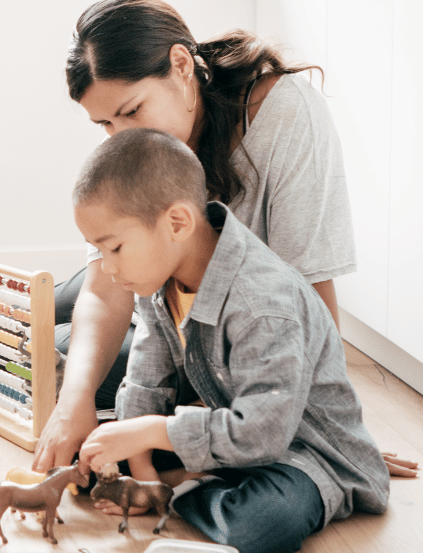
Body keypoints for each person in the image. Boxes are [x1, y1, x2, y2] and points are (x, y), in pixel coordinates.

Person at [35, 0, 416, 480]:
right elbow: (105, 289)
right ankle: (64, 353)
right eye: (105, 124)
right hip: (155, 291)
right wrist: (74, 401)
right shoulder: (134, 140)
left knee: (79, 358)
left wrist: (325, 431)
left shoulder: (284, 113)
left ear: (180, 66)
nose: (119, 136)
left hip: (221, 317)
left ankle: (67, 352)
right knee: (75, 349)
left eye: (131, 111)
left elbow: (308, 285)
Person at [72, 128, 390, 553]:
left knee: (263, 525)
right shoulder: (154, 279)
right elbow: (147, 381)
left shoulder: (262, 302)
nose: (108, 269)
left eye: (114, 248)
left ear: (177, 223)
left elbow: (263, 434)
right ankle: (176, 481)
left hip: (302, 455)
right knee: (91, 460)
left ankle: (185, 488)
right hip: (227, 436)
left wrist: (149, 433)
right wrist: (140, 471)